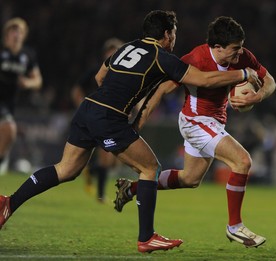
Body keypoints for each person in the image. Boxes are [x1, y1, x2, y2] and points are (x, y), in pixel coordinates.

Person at [0, 10, 261, 253]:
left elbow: (100, 77)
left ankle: (8, 203)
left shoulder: (126, 47)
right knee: (150, 168)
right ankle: (146, 237)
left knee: (65, 169)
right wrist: (243, 74)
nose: (174, 39)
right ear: (167, 34)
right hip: (108, 117)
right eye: (174, 34)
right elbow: (204, 80)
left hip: (88, 108)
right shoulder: (162, 57)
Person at [113, 16, 276, 248]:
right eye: (234, 50)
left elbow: (269, 80)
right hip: (195, 121)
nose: (240, 54)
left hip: (215, 123)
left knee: (189, 179)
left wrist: (258, 96)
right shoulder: (196, 59)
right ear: (217, 47)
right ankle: (235, 226)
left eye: (240, 48)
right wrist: (138, 122)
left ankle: (132, 188)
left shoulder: (243, 56)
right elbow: (162, 89)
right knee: (242, 161)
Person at [71, 38, 123, 203]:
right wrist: (83, 107)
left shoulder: (122, 75)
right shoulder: (96, 71)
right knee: (106, 156)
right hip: (97, 118)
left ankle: (90, 171)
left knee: (114, 163)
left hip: (113, 118)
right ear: (105, 54)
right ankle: (100, 195)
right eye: (111, 52)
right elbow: (76, 90)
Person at [0, 17, 42, 173]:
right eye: (14, 31)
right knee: (9, 128)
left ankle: (1, 159)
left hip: (9, 102)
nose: (17, 34)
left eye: (20, 32)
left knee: (9, 131)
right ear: (7, 34)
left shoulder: (28, 55)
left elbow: (38, 80)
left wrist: (27, 83)